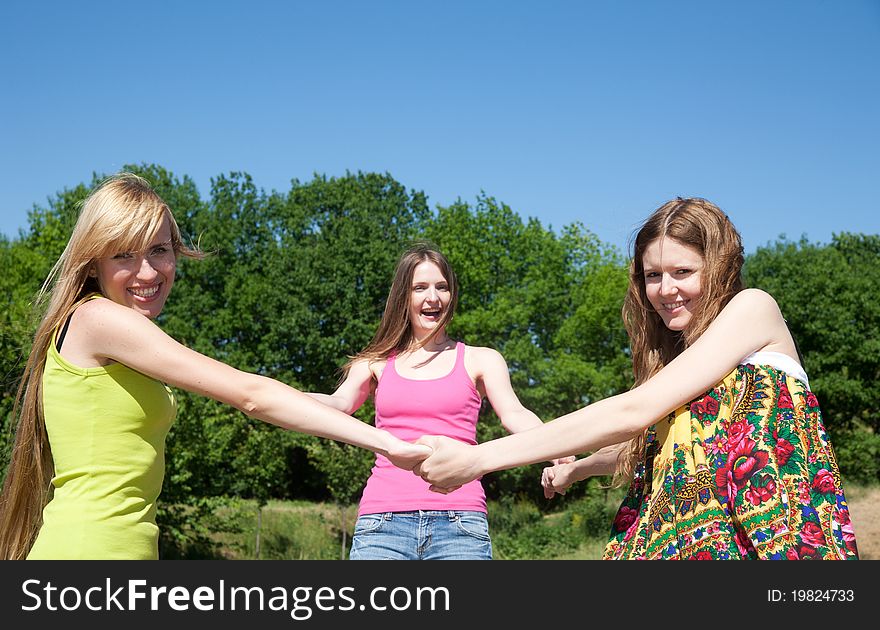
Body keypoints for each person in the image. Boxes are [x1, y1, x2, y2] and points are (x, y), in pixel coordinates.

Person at [0, 173, 430, 560]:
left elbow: (258, 391)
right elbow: (251, 396)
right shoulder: (99, 319)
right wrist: (388, 445)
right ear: (94, 263)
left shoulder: (113, 335)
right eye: (123, 255)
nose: (147, 271)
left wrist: (338, 403)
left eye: (159, 250)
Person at [414, 197, 859, 560]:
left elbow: (633, 411)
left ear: (719, 265)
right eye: (653, 276)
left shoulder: (753, 309)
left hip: (771, 538)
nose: (666, 289)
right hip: (683, 542)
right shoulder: (679, 362)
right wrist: (579, 468)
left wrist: (478, 459)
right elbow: (646, 445)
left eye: (683, 272)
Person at [307, 244, 570, 559]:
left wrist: (558, 449)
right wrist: (266, 395)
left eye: (442, 287)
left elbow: (514, 413)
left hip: (460, 523)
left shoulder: (481, 359)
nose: (433, 297)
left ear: (452, 295)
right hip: (382, 523)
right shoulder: (375, 362)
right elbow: (338, 404)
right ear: (404, 296)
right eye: (420, 287)